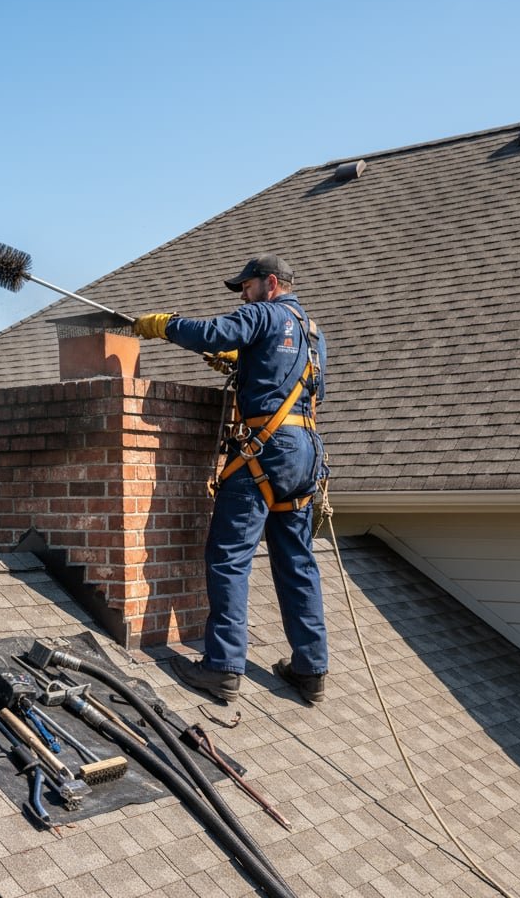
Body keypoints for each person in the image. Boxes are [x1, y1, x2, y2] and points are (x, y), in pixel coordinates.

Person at [133, 254, 329, 704]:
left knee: (229, 557)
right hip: (304, 454)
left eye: (246, 286)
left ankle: (222, 667)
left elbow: (213, 331)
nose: (243, 294)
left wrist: (165, 324)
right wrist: (243, 363)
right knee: (298, 563)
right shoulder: (315, 334)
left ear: (271, 283)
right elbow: (294, 381)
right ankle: (311, 670)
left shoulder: (263, 313)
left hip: (264, 450)